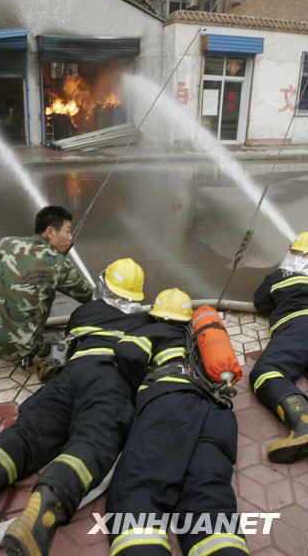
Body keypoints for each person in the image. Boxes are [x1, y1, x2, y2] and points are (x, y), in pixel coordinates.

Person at [0, 258, 153, 556]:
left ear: (104, 286)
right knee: (93, 440)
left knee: (25, 434)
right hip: (109, 382)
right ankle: (45, 507)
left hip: (70, 376)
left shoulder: (84, 312)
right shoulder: (149, 323)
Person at [106, 288, 248, 556]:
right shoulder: (199, 340)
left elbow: (128, 353)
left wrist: (140, 385)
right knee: (209, 494)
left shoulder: (153, 331)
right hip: (216, 413)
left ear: (157, 318)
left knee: (140, 485)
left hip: (170, 405)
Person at [0, 205, 93, 365]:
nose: (70, 238)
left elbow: (5, 280)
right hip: (24, 349)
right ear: (50, 232)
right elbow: (89, 296)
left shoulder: (5, 244)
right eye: (67, 231)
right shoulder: (59, 265)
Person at [250, 231, 308, 464]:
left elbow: (260, 302)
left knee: (268, 372)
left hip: (299, 327)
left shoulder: (281, 277)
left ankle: (303, 421)